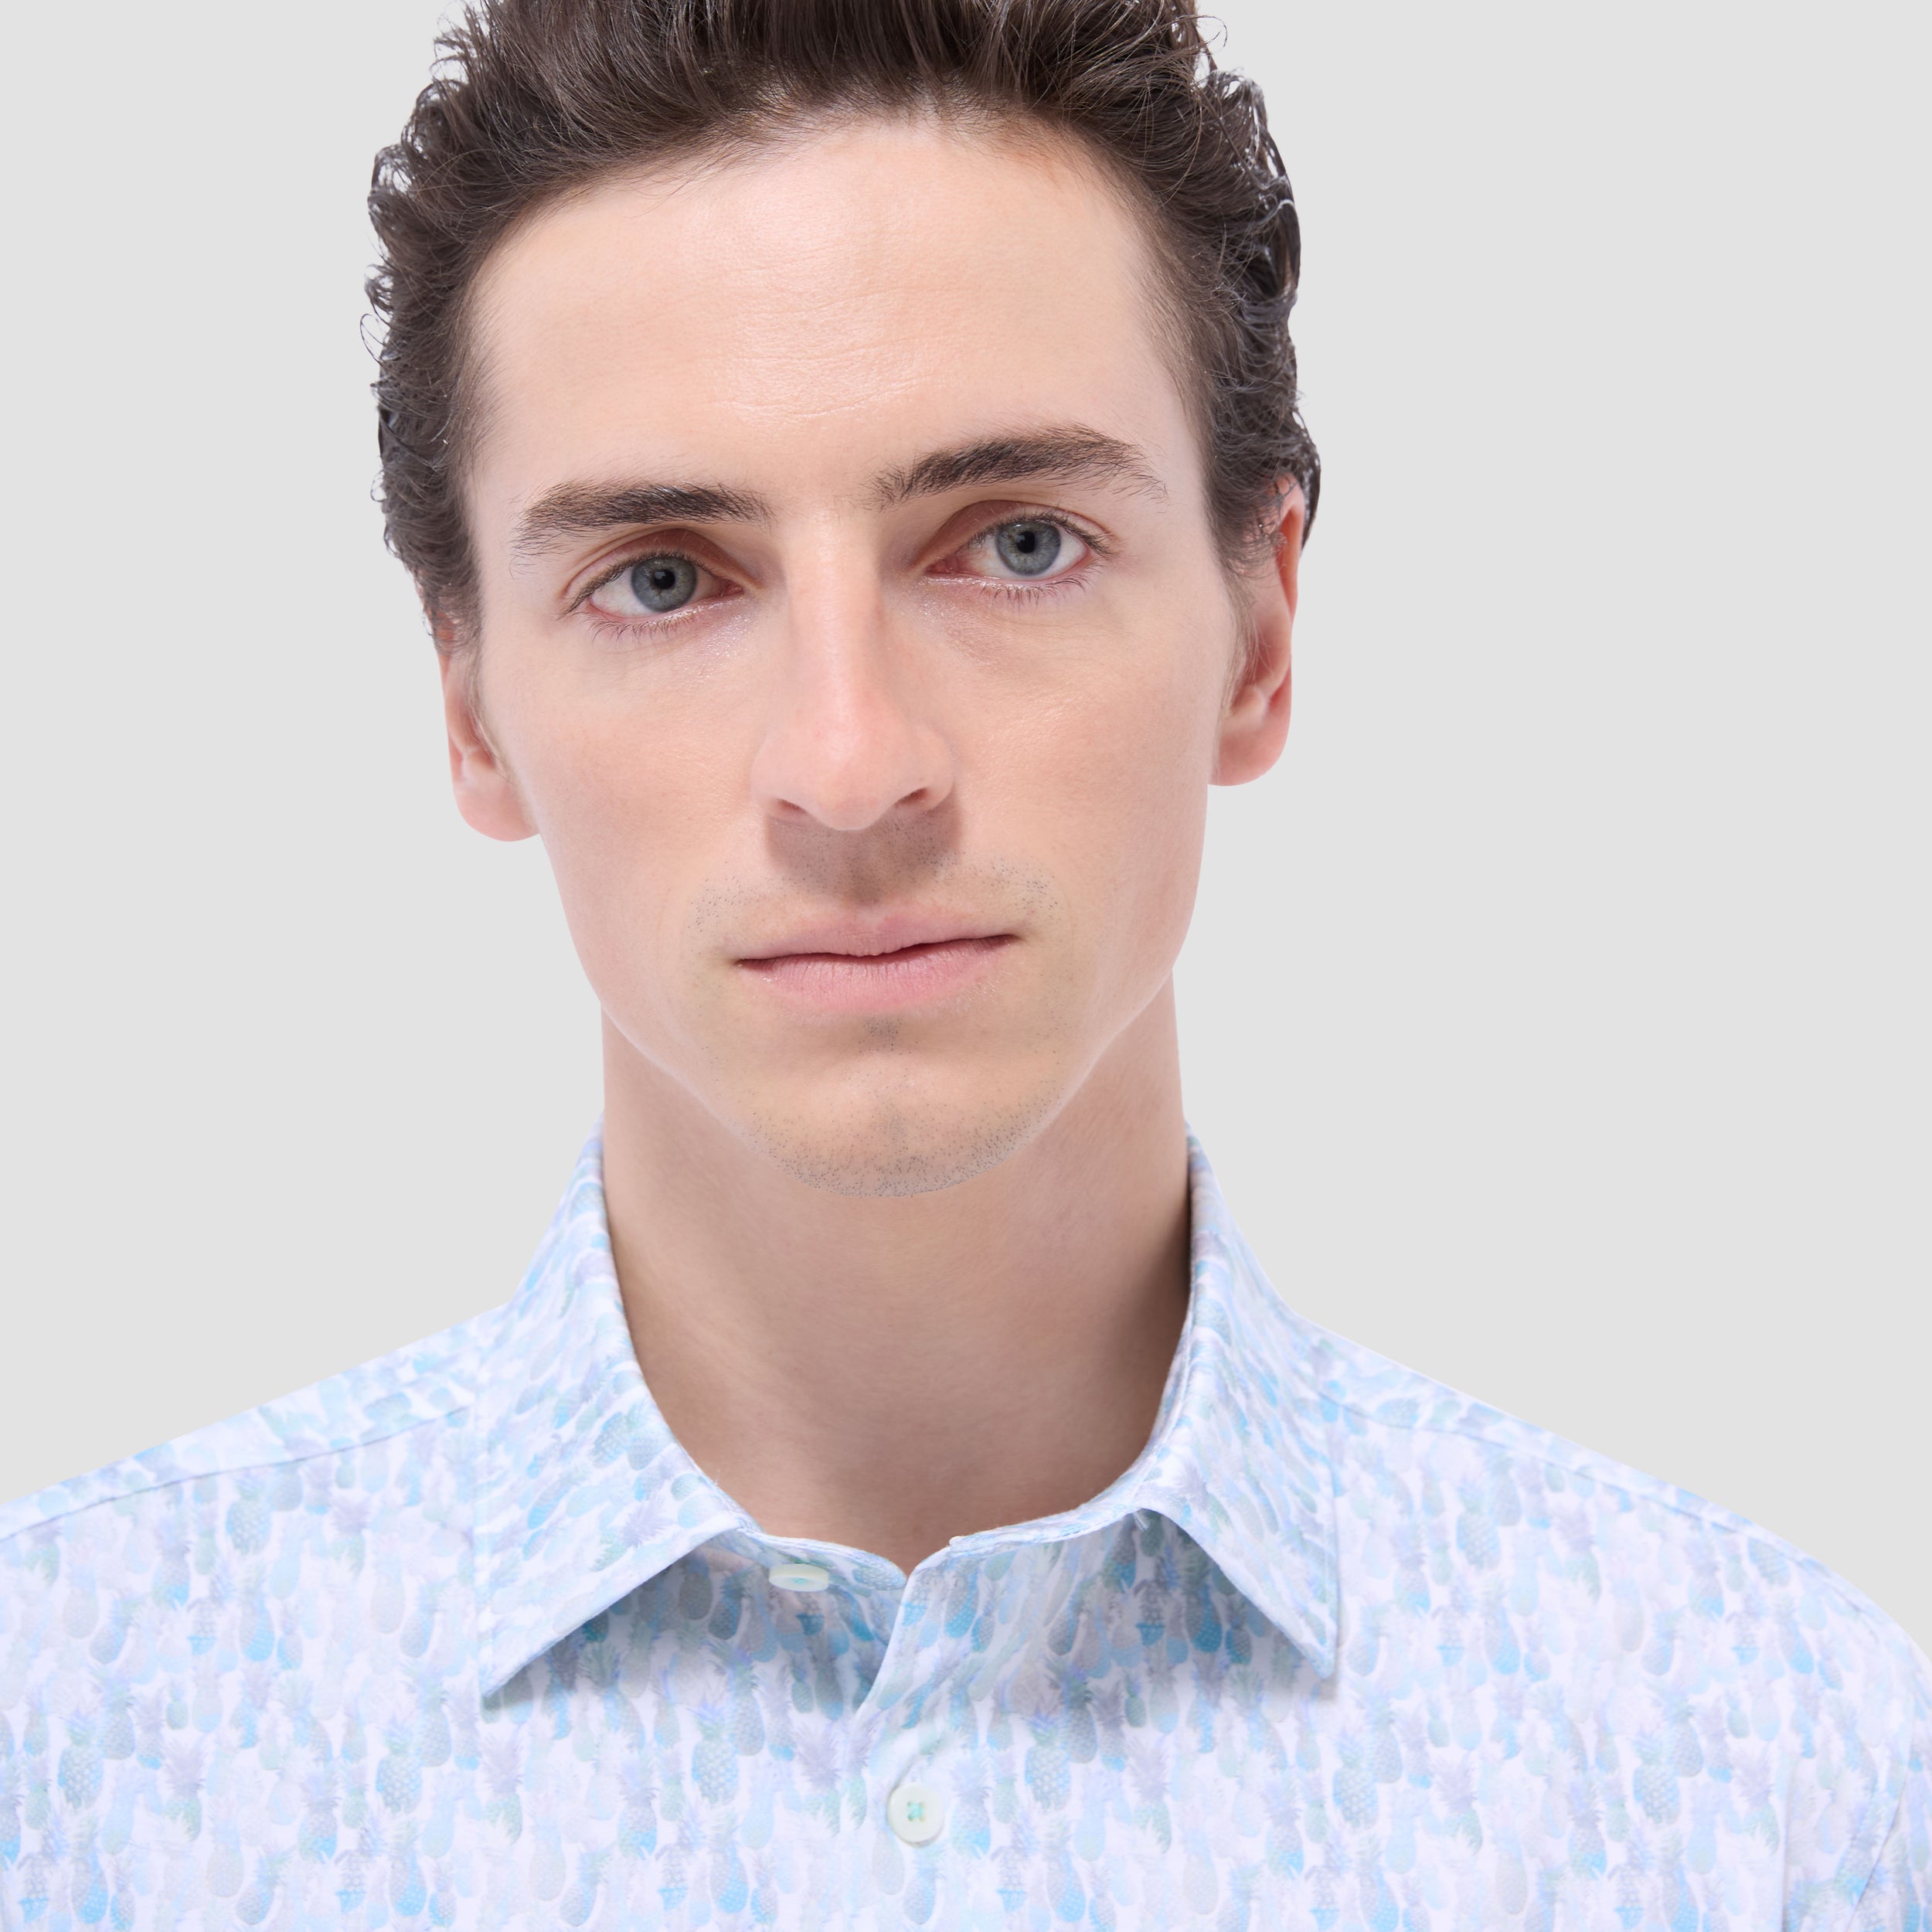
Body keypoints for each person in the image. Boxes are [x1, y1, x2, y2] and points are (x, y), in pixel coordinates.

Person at [1, 0, 1923, 1923]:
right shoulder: (71, 1730)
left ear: (1259, 632)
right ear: (469, 703)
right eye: (662, 577)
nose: (849, 767)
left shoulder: (1758, 1757)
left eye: (1013, 545)